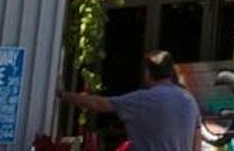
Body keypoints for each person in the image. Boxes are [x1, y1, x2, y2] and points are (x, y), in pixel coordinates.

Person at [58, 49, 202, 151]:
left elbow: (98, 104)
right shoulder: (190, 101)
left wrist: (64, 94)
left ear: (147, 73)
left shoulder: (143, 100)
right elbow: (197, 147)